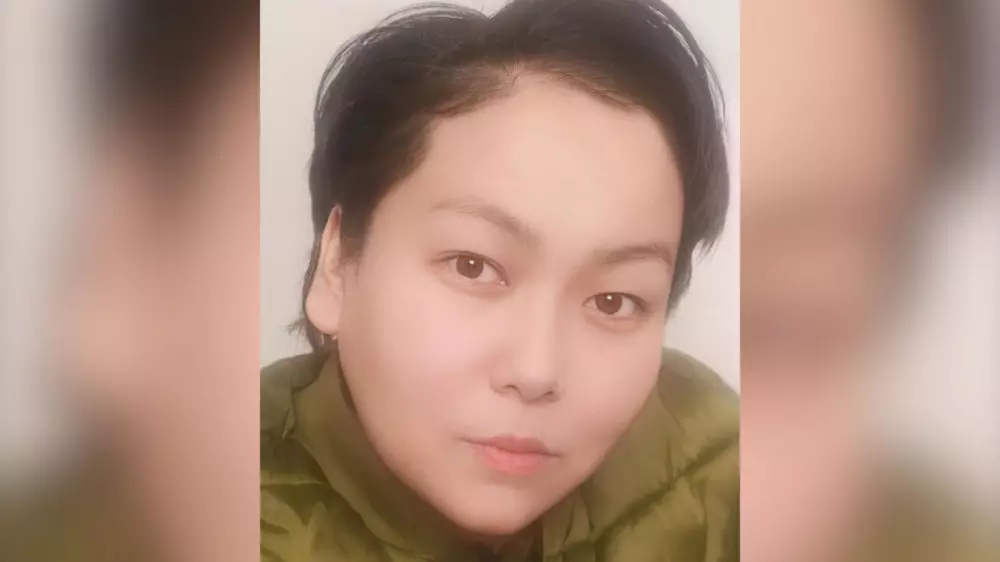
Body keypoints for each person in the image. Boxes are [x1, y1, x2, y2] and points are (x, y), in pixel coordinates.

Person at [260, 0, 737, 561]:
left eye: (615, 300)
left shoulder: (717, 463)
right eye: (473, 266)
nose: (536, 372)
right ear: (338, 262)